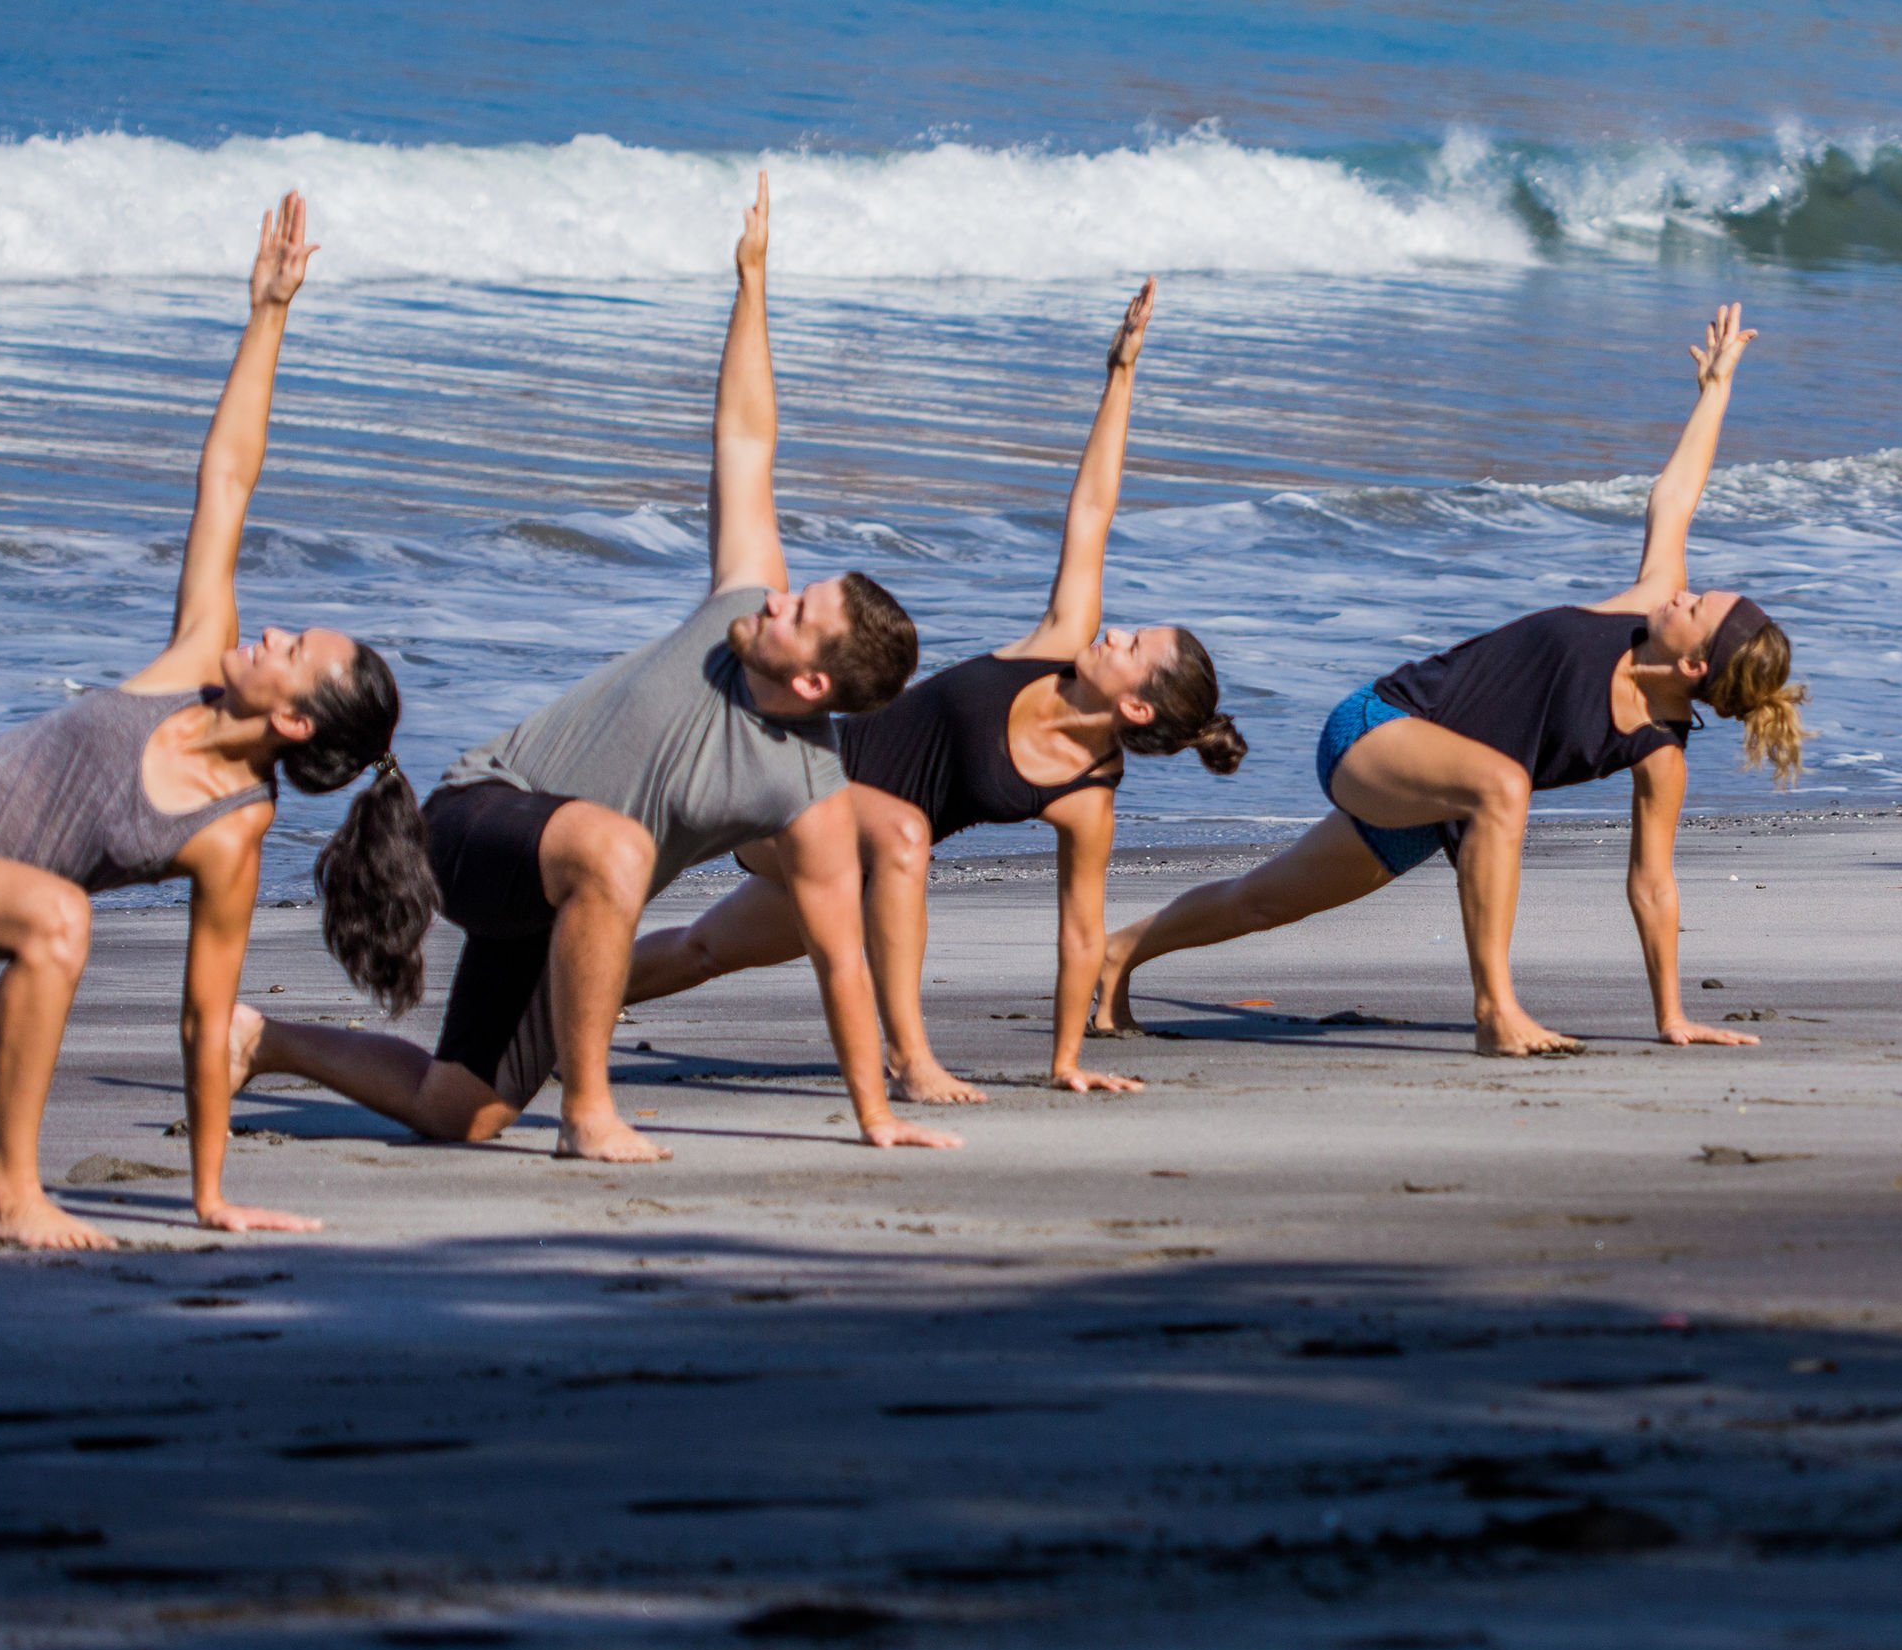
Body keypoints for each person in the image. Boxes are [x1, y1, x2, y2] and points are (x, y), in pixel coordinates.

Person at [0, 195, 430, 1248]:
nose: (268, 632)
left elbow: (204, 1017)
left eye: (290, 652)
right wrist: (269, 312)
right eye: (284, 630)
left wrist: (209, 1194)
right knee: (59, 916)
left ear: (289, 722)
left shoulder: (232, 829)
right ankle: (15, 1198)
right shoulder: (194, 659)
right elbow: (227, 479)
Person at [236, 174, 926, 1161]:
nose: (776, 596)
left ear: (813, 683)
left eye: (797, 612)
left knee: (458, 1110)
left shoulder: (806, 795)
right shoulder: (737, 606)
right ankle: (589, 1112)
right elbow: (746, 438)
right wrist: (753, 284)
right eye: (791, 589)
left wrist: (876, 1117)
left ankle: (261, 1043)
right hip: (478, 817)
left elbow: (842, 962)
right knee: (617, 852)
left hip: (568, 899)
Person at [1092, 305, 1805, 1058]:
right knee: (1502, 786)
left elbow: (1654, 886)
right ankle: (1497, 1011)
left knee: (1263, 902)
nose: (1685, 594)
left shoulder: (1660, 751)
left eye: (1699, 606)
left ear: (1696, 666)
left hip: (1436, 807)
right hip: (1374, 729)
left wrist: (1672, 1016)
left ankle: (1115, 954)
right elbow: (1675, 498)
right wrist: (1717, 388)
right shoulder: (1641, 606)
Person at [625, 278, 1243, 1124]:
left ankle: (550, 999)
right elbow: (1094, 510)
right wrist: (1121, 375)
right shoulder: (1059, 642)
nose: (1116, 632)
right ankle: (910, 1060)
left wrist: (1066, 1060)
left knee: (701, 952)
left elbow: (1079, 932)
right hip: (796, 781)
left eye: (1134, 649)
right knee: (881, 840)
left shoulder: (1087, 799)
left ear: (1137, 708)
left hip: (872, 862)